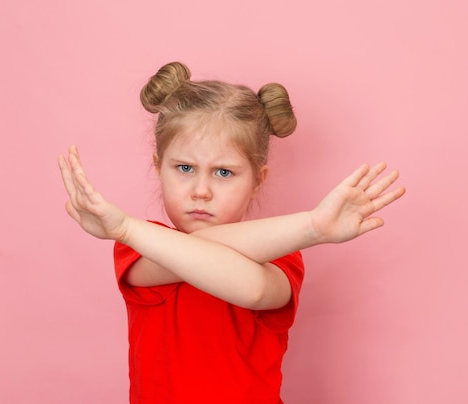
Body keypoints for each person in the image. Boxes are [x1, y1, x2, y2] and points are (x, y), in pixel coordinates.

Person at [58, 61, 405, 404]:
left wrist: (124, 227)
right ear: (158, 167)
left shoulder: (280, 254)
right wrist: (309, 226)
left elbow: (252, 289)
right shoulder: (142, 246)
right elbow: (184, 254)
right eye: (184, 168)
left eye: (223, 172)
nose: (201, 190)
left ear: (258, 181)